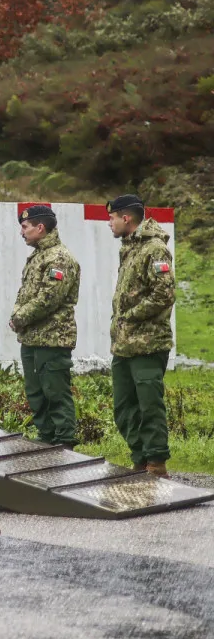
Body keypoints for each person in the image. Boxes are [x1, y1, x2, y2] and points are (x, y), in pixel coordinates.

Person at [106, 194, 176, 477]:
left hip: (148, 343)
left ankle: (156, 463)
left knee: (149, 406)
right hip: (124, 344)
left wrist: (131, 315)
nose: (109, 223)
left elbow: (164, 293)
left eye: (112, 218)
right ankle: (140, 458)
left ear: (126, 218)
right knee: (123, 408)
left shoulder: (154, 249)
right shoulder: (129, 248)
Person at [9, 204, 79, 447]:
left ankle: (64, 442)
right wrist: (18, 315)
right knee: (36, 394)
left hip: (52, 339)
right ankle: (46, 438)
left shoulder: (58, 258)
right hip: (32, 338)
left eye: (25, 227)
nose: (22, 232)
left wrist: (19, 317)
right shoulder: (38, 256)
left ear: (40, 227)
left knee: (55, 393)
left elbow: (48, 298)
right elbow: (26, 293)